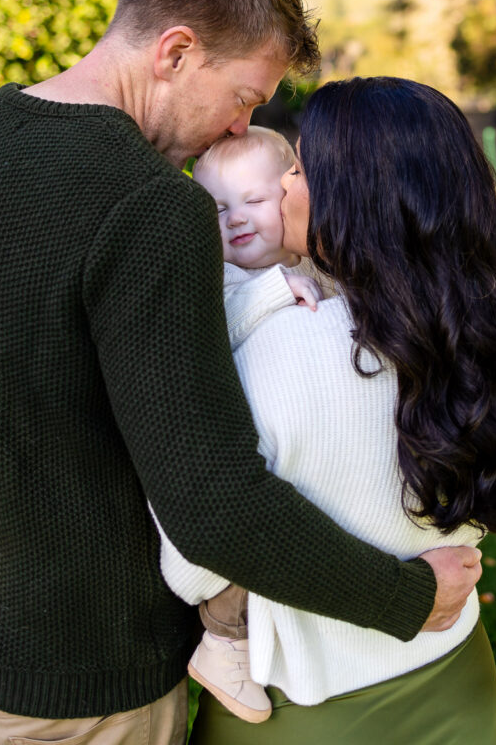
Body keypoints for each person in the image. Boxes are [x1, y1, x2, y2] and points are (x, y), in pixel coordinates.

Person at [0, 0, 481, 745]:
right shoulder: (153, 209)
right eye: (242, 94)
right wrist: (410, 599)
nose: (241, 128)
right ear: (174, 52)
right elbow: (213, 504)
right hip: (84, 685)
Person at [157, 77, 496, 745]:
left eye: (299, 168)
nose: (279, 188)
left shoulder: (276, 349)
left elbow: (189, 559)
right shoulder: (486, 329)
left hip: (307, 709)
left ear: (350, 192)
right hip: (454, 666)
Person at [179, 127, 326, 723]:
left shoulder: (306, 263)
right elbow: (226, 320)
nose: (236, 219)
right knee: (239, 538)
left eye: (255, 201)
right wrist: (273, 290)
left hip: (287, 442)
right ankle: (222, 640)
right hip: (221, 454)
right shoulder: (222, 279)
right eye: (217, 208)